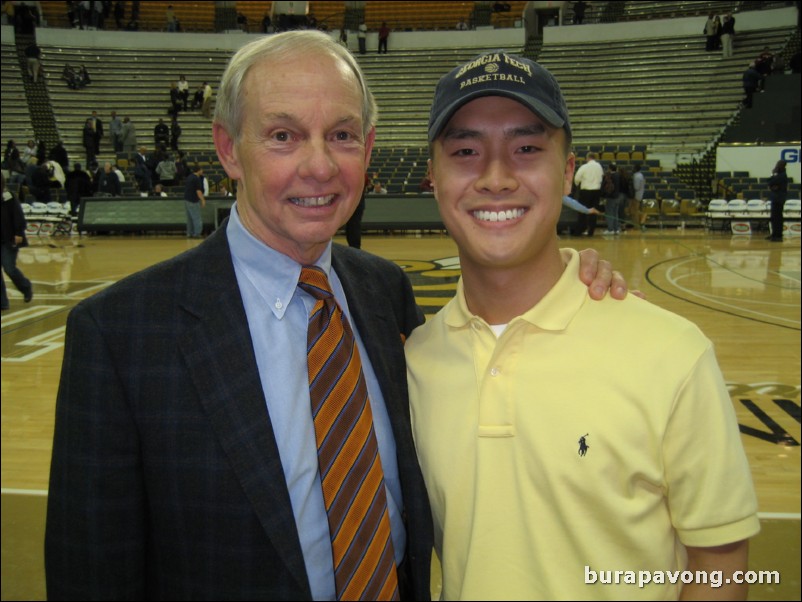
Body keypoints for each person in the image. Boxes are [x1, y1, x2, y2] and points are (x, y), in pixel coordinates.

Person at [44, 31, 625, 601]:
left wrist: (572, 278)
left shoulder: (384, 291)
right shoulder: (118, 334)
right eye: (282, 136)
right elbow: (91, 575)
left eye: (342, 135)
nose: (319, 167)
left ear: (368, 149)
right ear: (228, 148)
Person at [406, 50, 760, 601]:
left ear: (567, 170)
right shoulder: (414, 360)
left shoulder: (671, 351)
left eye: (526, 149)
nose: (496, 178)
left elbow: (719, 561)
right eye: (466, 151)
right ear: (433, 175)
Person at [1, 173, 33, 310]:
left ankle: (26, 287)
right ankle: (2, 302)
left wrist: (19, 232)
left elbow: (18, 215)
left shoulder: (9, 197)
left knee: (9, 268)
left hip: (8, 239)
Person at [571, 151, 603, 235]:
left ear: (587, 158)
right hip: (596, 191)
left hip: (586, 191)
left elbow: (577, 178)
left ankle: (580, 229)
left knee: (583, 210)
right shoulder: (599, 167)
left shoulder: (584, 167)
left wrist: (577, 184)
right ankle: (591, 231)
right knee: (594, 211)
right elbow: (601, 177)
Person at [345, 172, 370, 249]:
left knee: (353, 227)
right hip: (354, 201)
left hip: (356, 202)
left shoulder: (361, 173)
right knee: (352, 227)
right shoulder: (362, 173)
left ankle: (355, 248)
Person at [767, 159, 788, 241]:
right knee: (774, 218)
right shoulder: (780, 174)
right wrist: (772, 185)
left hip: (779, 199)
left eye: (778, 164)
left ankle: (778, 236)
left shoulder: (782, 175)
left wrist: (773, 174)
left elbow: (770, 182)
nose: (777, 166)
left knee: (777, 218)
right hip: (776, 198)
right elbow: (770, 183)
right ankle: (774, 234)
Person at [183, 163, 205, 238]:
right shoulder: (196, 179)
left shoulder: (189, 177)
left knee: (189, 218)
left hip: (187, 200)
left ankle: (189, 233)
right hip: (193, 200)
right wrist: (202, 200)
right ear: (198, 170)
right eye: (201, 170)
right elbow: (198, 191)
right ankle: (197, 233)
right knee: (196, 217)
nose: (202, 171)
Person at [602, 162, 624, 235]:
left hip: (610, 197)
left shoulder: (609, 176)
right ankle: (616, 229)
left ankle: (610, 229)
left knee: (609, 213)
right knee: (615, 213)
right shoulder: (619, 175)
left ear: (609, 168)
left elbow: (604, 186)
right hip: (618, 197)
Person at [631, 163, 647, 230]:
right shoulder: (640, 175)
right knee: (634, 210)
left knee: (635, 211)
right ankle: (637, 224)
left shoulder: (637, 176)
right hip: (639, 195)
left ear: (635, 169)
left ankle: (637, 225)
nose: (632, 169)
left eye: (633, 168)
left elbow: (636, 187)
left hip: (636, 195)